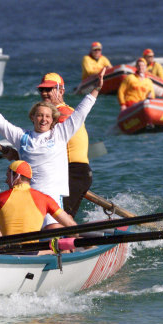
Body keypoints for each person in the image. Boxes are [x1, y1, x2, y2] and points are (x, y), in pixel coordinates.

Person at [0, 70, 104, 230]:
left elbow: (81, 112)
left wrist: (96, 89)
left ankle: (72, 245)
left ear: (54, 120)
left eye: (47, 116)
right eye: (39, 115)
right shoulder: (22, 137)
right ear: (32, 117)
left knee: (54, 233)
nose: (43, 119)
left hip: (52, 197)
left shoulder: (60, 133)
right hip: (30, 198)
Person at [37, 72, 92, 218]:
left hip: (74, 173)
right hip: (72, 173)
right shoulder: (58, 113)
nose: (44, 93)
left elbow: (43, 146)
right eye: (42, 90)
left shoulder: (62, 114)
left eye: (49, 90)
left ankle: (74, 240)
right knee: (59, 219)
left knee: (60, 219)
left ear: (61, 91)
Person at [0, 160, 76, 236]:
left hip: (6, 251)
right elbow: (70, 225)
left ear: (16, 176)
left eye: (8, 176)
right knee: (64, 246)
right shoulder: (45, 199)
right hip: (33, 251)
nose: (6, 181)